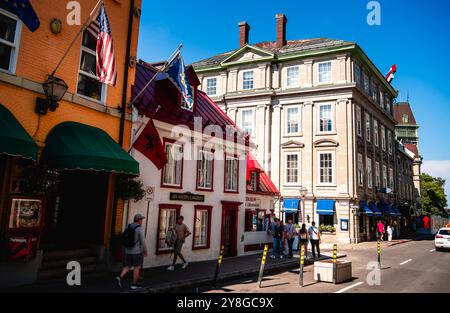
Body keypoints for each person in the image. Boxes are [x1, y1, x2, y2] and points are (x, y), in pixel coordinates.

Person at [116, 214, 148, 290]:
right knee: (137, 267)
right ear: (138, 220)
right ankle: (134, 284)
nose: (142, 221)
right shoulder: (139, 228)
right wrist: (145, 250)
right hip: (136, 252)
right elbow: (143, 241)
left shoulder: (128, 226)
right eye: (141, 219)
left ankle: (120, 277)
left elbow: (124, 237)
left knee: (127, 266)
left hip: (127, 251)